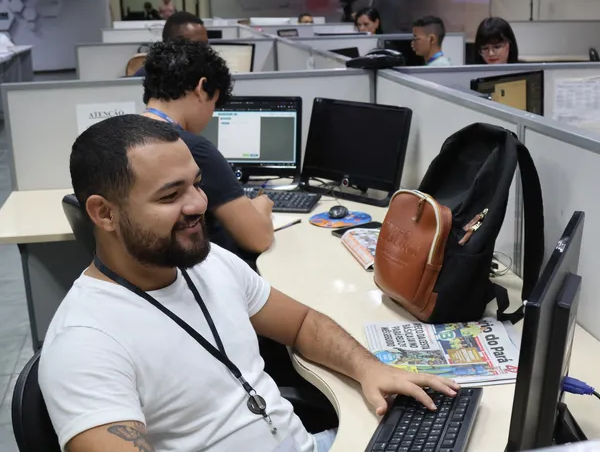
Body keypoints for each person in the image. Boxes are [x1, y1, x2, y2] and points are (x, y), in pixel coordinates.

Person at [39, 114, 460, 452]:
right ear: (104, 214)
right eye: (170, 196)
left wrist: (369, 368)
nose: (199, 206)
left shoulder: (210, 262)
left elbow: (302, 324)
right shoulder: (85, 342)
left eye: (197, 185)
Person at [139, 38, 275, 256]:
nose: (211, 115)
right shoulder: (191, 148)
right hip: (212, 277)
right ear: (202, 88)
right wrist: (262, 205)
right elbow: (259, 239)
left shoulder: (128, 136)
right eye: (214, 103)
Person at [132, 11, 208, 77]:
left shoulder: (207, 72)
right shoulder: (147, 78)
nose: (204, 51)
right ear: (170, 46)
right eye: (195, 46)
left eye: (205, 45)